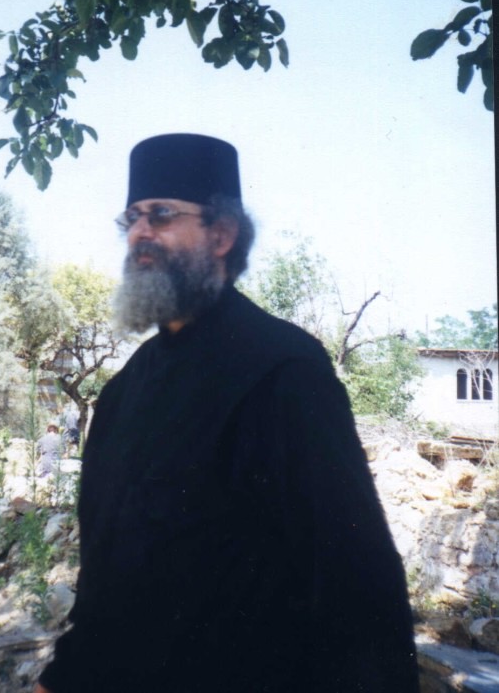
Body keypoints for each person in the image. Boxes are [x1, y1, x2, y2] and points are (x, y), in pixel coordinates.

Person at [34, 133, 419, 692]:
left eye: (162, 215)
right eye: (133, 218)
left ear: (222, 234)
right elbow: (108, 574)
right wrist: (63, 673)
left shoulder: (282, 370)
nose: (141, 232)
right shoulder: (124, 391)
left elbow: (357, 585)